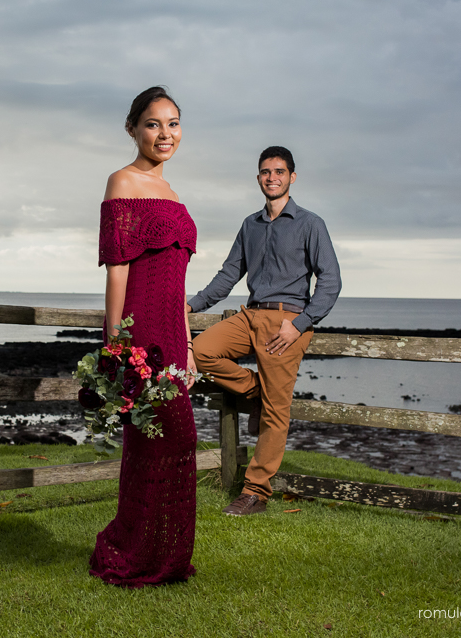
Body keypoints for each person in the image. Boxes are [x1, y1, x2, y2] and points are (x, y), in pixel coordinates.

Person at [187, 146, 341, 516]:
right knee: (203, 349)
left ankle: (255, 492)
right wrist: (190, 305)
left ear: (292, 176)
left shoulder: (310, 223)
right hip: (250, 315)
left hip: (287, 324)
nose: (272, 177)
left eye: (279, 171)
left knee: (277, 412)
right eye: (265, 172)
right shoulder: (250, 225)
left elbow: (330, 282)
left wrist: (300, 325)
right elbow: (228, 275)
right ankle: (257, 391)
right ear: (258, 178)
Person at [89, 86, 199, 586]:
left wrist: (191, 347)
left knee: (177, 445)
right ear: (133, 128)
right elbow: (117, 271)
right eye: (154, 124)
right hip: (140, 337)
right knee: (157, 444)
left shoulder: (175, 195)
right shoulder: (122, 182)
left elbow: (178, 285)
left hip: (173, 339)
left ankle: (166, 557)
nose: (165, 134)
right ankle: (128, 552)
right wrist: (116, 346)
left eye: (173, 123)